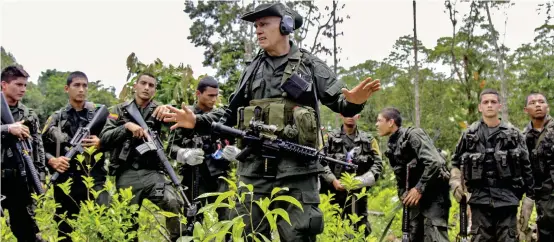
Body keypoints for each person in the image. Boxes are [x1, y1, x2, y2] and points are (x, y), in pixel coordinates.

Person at [162, 3, 380, 241]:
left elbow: (342, 103)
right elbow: (229, 114)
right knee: (249, 235)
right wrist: (197, 120)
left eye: (264, 24)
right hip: (254, 171)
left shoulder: (309, 65)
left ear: (285, 25)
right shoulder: (252, 69)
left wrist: (356, 102)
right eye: (256, 26)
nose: (258, 30)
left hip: (298, 172)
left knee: (299, 235)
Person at [98, 73, 184, 241]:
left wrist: (168, 109)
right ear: (135, 86)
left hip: (153, 173)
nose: (146, 87)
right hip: (126, 173)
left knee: (172, 201)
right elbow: (105, 138)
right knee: (127, 224)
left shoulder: (159, 110)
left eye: (151, 85)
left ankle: (178, 238)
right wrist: (126, 127)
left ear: (155, 90)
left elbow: (181, 125)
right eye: (143, 83)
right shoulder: (118, 110)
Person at [450, 89, 535, 242]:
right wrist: (456, 183)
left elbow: (526, 167)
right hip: (479, 201)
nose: (489, 105)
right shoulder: (469, 134)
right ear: (479, 107)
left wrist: (529, 199)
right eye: (486, 102)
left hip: (507, 201)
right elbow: (455, 162)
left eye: (493, 102)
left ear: (499, 106)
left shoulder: (514, 134)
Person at [41, 71, 109, 241]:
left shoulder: (100, 114)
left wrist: (101, 143)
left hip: (94, 177)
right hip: (67, 180)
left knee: (105, 224)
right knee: (65, 229)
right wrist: (52, 160)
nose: (81, 89)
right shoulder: (56, 118)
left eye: (85, 85)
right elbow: (39, 148)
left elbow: (116, 136)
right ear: (67, 88)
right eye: (76, 85)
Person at [376, 107, 450, 242]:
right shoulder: (392, 145)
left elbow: (435, 162)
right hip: (414, 202)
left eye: (379, 120)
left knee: (435, 237)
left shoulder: (413, 135)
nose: (376, 124)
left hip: (434, 197)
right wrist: (403, 194)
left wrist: (418, 188)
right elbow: (401, 177)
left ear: (390, 122)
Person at [168, 76, 231, 225]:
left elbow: (231, 140)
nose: (214, 99)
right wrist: (184, 154)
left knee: (228, 219)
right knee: (193, 222)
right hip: (194, 176)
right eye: (210, 95)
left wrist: (231, 151)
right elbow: (171, 148)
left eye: (216, 95)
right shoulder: (184, 115)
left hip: (218, 174)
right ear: (198, 94)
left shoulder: (221, 115)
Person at [0, 65, 46, 242]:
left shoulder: (28, 114)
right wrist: (7, 129)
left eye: (25, 85)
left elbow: (38, 147)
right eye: (18, 84)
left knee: (25, 230)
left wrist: (40, 176)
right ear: (3, 85)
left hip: (20, 178)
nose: (23, 89)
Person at [320, 114, 383, 236]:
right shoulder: (329, 138)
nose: (350, 116)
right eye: (346, 113)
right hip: (334, 194)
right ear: (340, 115)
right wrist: (333, 180)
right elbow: (320, 161)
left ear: (358, 116)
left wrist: (359, 181)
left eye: (353, 113)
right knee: (334, 229)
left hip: (359, 194)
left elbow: (378, 165)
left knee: (361, 230)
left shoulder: (369, 139)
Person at [520, 92, 553, 241]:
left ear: (548, 107)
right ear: (526, 110)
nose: (538, 105)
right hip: (541, 196)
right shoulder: (522, 137)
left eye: (541, 102)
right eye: (533, 103)